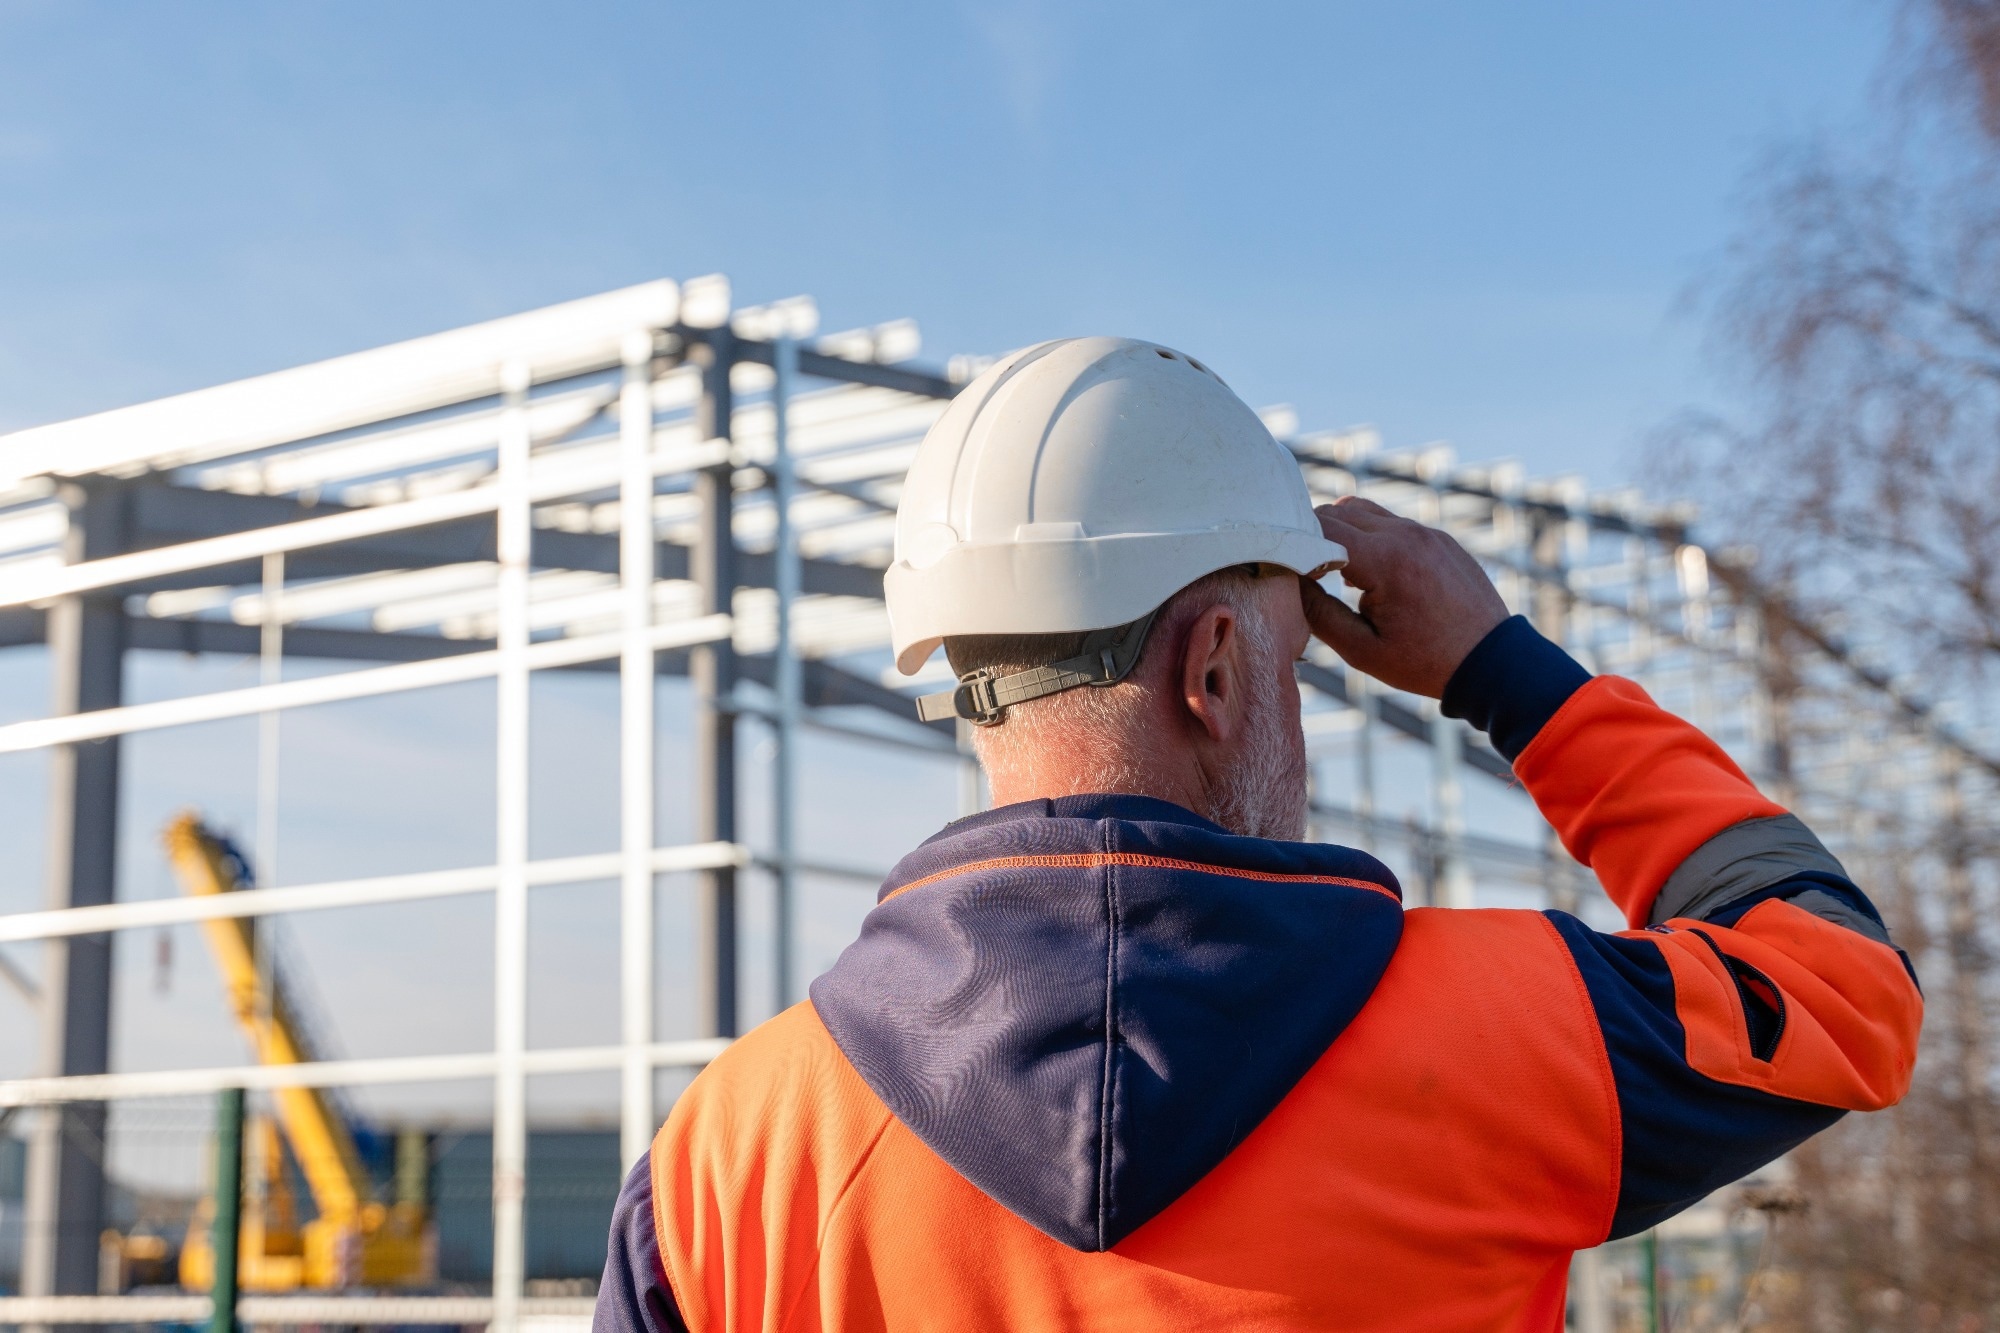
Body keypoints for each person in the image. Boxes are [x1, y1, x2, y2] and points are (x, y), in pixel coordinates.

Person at [594, 337, 1921, 1331]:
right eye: (1293, 665)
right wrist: (1507, 676)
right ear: (1217, 668)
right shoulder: (1516, 1036)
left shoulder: (726, 1165)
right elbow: (1843, 986)